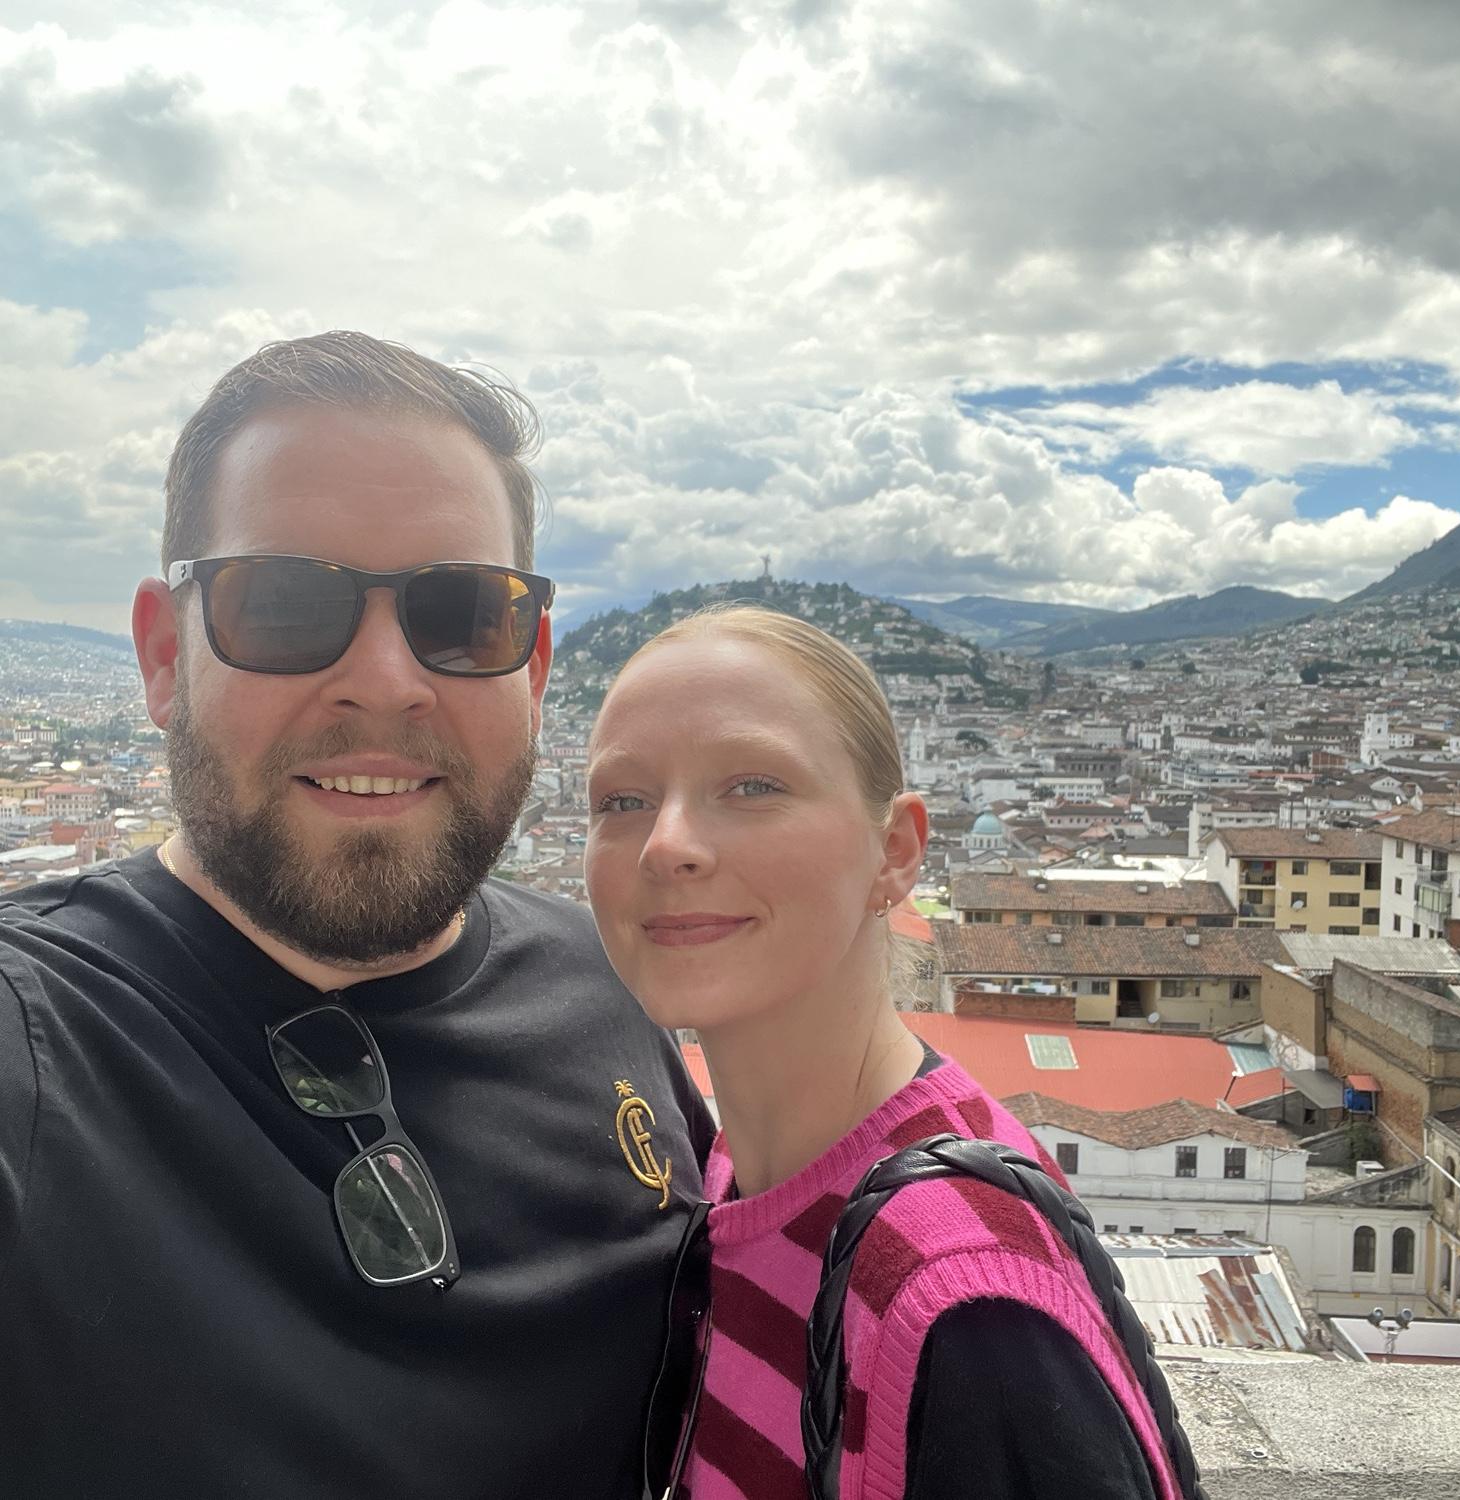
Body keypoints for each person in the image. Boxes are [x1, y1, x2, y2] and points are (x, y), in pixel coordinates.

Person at [0, 332, 712, 1498]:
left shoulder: (614, 984)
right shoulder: (41, 1044)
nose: (386, 680)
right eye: (282, 604)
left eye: (463, 614)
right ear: (164, 654)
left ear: (532, 670)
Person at [585, 606, 1181, 1500]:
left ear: (895, 852)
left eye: (752, 786)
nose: (666, 844)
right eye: (621, 801)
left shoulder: (957, 1301)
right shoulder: (731, 1176)